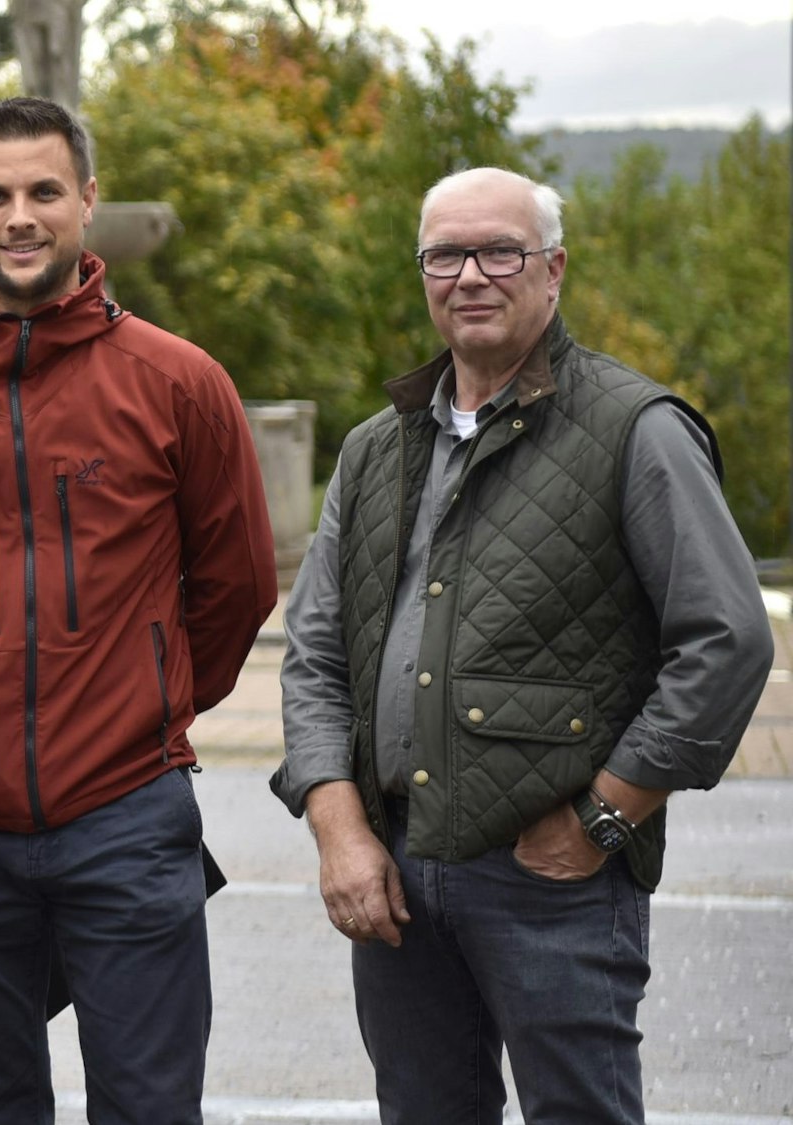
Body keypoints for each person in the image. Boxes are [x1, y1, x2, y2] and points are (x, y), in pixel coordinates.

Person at [274, 166, 775, 1122]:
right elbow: (316, 656)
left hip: (556, 876)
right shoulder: (374, 449)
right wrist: (341, 836)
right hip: (395, 876)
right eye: (445, 254)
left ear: (552, 269)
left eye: (499, 250)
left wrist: (606, 817)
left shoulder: (637, 428)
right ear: (422, 273)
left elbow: (727, 639)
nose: (471, 274)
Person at [0, 96, 278, 1122]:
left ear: (87, 202)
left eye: (44, 190)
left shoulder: (179, 382)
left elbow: (235, 587)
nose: (19, 216)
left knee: (148, 1105)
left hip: (126, 814)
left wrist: (146, 699)